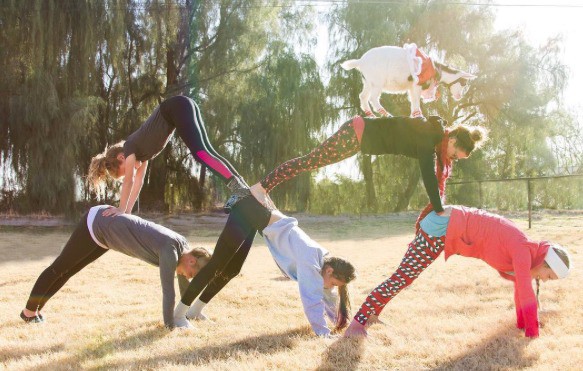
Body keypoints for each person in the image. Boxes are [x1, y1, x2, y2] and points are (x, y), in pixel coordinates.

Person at [344, 206, 571, 338]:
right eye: (548, 276)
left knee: (403, 278)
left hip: (445, 226)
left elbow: (521, 288)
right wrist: (532, 333)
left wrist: (523, 324)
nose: (545, 281)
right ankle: (357, 324)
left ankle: (372, 316)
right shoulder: (524, 251)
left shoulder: (527, 250)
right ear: (546, 263)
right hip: (440, 229)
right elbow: (525, 289)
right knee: (401, 278)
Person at [173, 195, 357, 337]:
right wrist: (323, 333)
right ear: (330, 271)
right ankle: (179, 315)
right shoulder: (310, 260)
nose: (331, 287)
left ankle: (195, 311)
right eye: (333, 283)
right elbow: (312, 299)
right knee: (217, 264)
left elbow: (329, 296)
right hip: (250, 210)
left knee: (232, 269)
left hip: (257, 218)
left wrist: (341, 322)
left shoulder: (323, 263)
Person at [21, 205, 211, 329]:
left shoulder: (183, 247)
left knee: (68, 271)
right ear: (191, 261)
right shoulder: (171, 252)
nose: (188, 276)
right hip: (97, 223)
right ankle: (28, 312)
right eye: (192, 273)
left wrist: (184, 313)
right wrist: (171, 324)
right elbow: (168, 292)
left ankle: (36, 311)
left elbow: (182, 284)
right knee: (59, 267)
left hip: (106, 237)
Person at [250, 115, 488, 214]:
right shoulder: (429, 139)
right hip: (356, 133)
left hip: (357, 138)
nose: (450, 160)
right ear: (453, 140)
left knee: (310, 162)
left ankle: (263, 188)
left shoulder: (434, 136)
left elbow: (433, 170)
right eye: (455, 156)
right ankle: (261, 188)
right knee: (310, 161)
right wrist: (439, 209)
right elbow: (428, 176)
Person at [87, 95, 248, 215]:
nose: (131, 171)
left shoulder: (130, 147)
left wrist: (120, 209)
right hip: (182, 105)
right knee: (208, 152)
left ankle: (239, 189)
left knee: (201, 154)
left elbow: (129, 180)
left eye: (126, 169)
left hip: (176, 108)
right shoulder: (142, 154)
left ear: (121, 158)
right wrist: (127, 211)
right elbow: (138, 182)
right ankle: (241, 187)